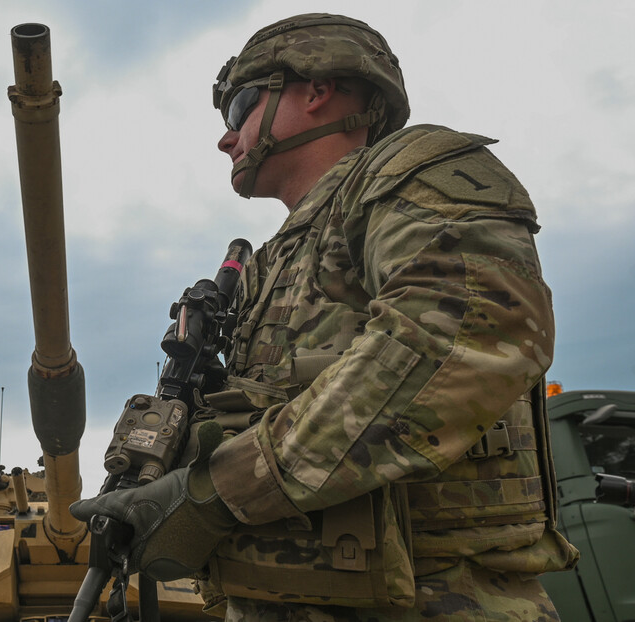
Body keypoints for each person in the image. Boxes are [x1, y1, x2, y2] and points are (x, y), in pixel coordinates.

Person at [71, 12, 580, 621]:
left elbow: (460, 334)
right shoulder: (274, 262)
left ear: (315, 89)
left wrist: (216, 492)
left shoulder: (416, 175)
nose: (226, 138)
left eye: (238, 109)